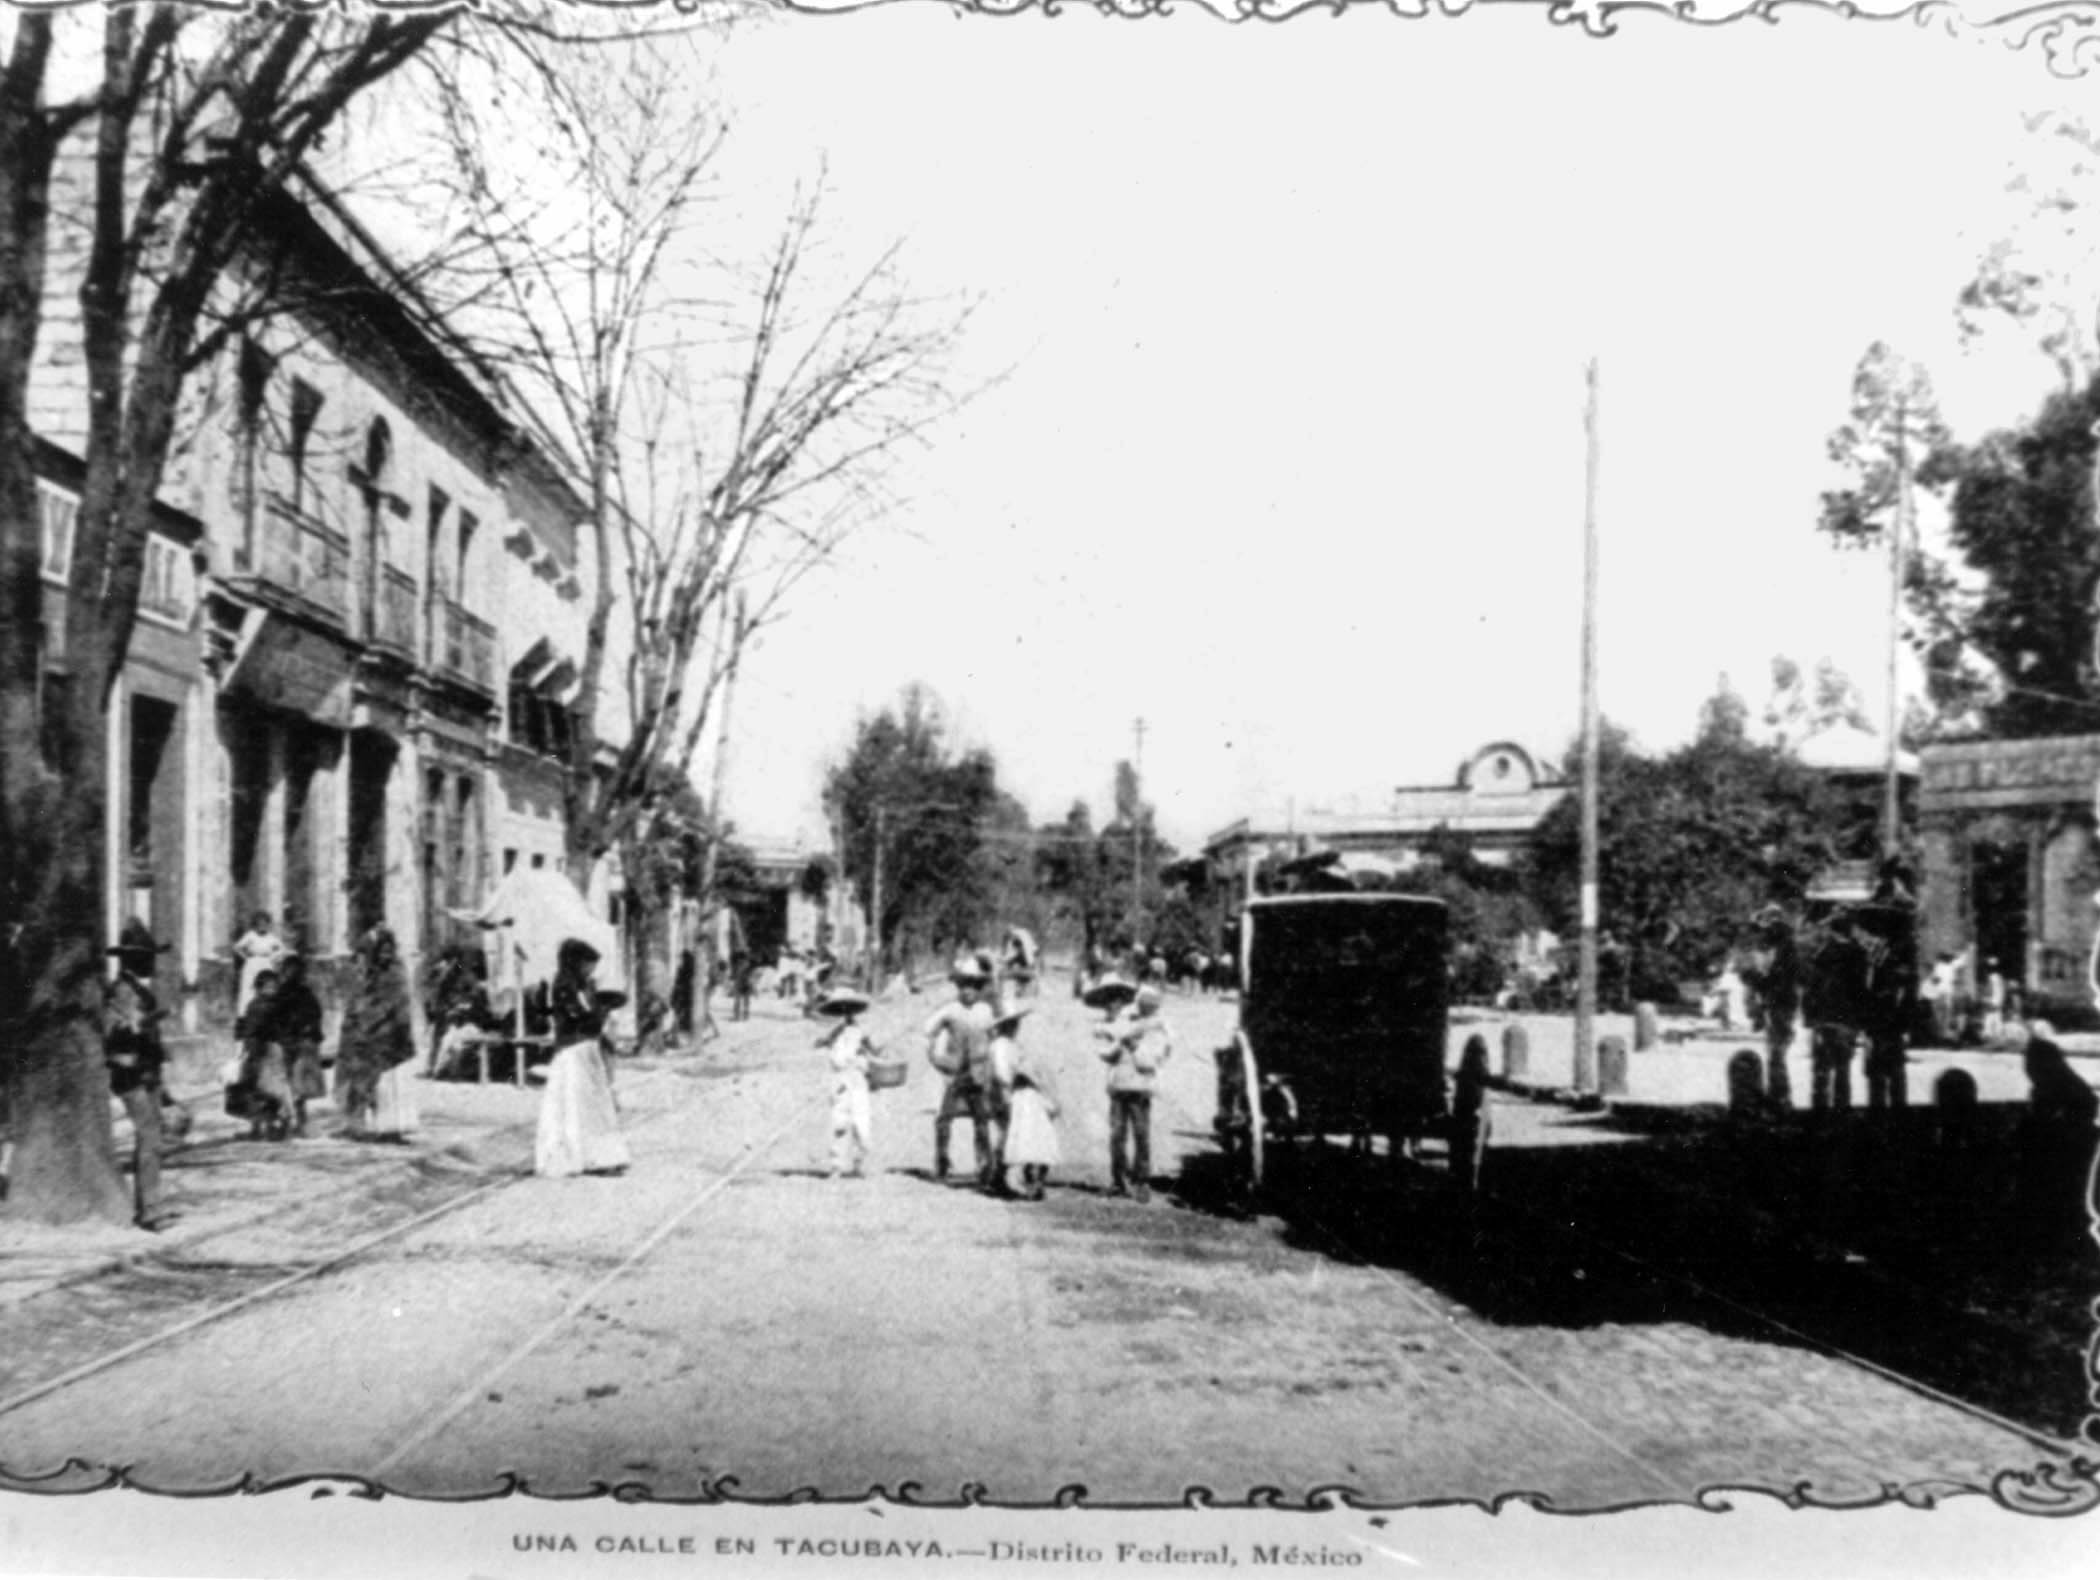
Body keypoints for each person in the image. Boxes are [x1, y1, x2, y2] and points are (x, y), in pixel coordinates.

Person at [536, 939, 631, 1177]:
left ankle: (600, 1156)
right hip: (572, 1051)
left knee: (593, 1104)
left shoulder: (582, 985)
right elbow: (578, 1018)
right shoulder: (564, 986)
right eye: (587, 965)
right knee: (575, 1105)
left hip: (586, 1049)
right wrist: (602, 1009)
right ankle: (578, 1157)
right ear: (575, 962)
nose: (590, 970)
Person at [105, 920, 174, 1231]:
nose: (151, 960)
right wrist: (136, 1025)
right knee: (149, 1137)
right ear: (131, 959)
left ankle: (150, 1203)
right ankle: (149, 1210)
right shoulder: (120, 990)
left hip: (148, 1071)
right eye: (146, 955)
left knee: (153, 1138)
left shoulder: (139, 989)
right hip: (129, 1072)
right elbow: (111, 1030)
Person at [336, 925, 419, 1141]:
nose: (386, 955)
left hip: (392, 1037)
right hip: (375, 1038)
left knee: (392, 1084)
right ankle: (369, 1125)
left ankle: (393, 1129)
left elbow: (392, 1004)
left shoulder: (396, 973)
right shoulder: (371, 974)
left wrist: (370, 1020)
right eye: (382, 950)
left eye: (389, 950)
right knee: (374, 1084)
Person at [1097, 982, 1173, 1201]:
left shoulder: (1158, 1029)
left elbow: (1152, 1061)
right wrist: (1114, 1045)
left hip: (1139, 1087)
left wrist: (1133, 1046)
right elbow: (1108, 1051)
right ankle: (1118, 1179)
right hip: (1119, 1084)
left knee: (1141, 1135)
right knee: (1117, 1135)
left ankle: (1141, 1180)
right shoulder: (1126, 1022)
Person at [924, 957, 997, 1183]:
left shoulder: (986, 1010)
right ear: (957, 987)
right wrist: (935, 1057)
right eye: (963, 985)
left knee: (982, 1120)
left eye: (973, 986)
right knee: (944, 1119)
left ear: (980, 988)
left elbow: (995, 1037)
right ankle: (942, 1162)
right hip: (956, 1073)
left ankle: (984, 1165)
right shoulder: (951, 1010)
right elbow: (929, 1030)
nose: (968, 991)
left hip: (978, 1072)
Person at [997, 1008, 1061, 1200]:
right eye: (1010, 1023)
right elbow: (1003, 1074)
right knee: (1023, 1138)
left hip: (1028, 1095)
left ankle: (1033, 1182)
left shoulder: (1015, 1045)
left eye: (1015, 1023)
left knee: (1037, 1136)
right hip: (1017, 1094)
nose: (1014, 1027)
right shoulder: (1001, 1045)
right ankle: (1017, 1183)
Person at [817, 989, 879, 1179]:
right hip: (840, 1079)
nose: (847, 1013)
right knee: (839, 1122)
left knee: (861, 1123)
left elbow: (874, 1050)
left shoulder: (861, 1032)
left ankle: (860, 1164)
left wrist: (869, 1051)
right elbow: (822, 1043)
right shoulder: (836, 1032)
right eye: (843, 1009)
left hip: (857, 1079)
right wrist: (826, 1040)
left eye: (850, 1009)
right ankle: (837, 1165)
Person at [1742, 905, 1799, 1107]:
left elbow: (1779, 979)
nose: (1765, 932)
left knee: (1777, 1050)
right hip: (1777, 1002)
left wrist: (1756, 980)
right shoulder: (1780, 947)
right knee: (1775, 1049)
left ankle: (1780, 1094)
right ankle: (1778, 1092)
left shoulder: (1785, 949)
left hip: (1781, 1002)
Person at [231, 967, 295, 1141]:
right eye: (267, 986)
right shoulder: (258, 1006)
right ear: (258, 988)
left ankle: (272, 1125)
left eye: (274, 986)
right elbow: (247, 1030)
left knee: (267, 1088)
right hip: (260, 1050)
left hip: (269, 1050)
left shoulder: (274, 1006)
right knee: (259, 1089)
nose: (271, 990)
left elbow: (282, 1029)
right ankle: (261, 1126)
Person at [1450, 1034, 1493, 1193]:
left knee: (1461, 1154)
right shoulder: (1479, 1070)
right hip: (1472, 1117)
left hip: (1463, 1116)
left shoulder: (1463, 1072)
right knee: (1473, 1155)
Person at [230, 909, 289, 1018]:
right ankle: (245, 1014)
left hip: (266, 964)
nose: (262, 926)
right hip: (252, 964)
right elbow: (237, 947)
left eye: (265, 923)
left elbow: (283, 950)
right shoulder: (250, 935)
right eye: (259, 923)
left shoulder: (271, 937)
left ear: (268, 924)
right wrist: (246, 958)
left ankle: (267, 1013)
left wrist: (273, 957)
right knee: (249, 987)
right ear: (255, 924)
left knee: (266, 986)